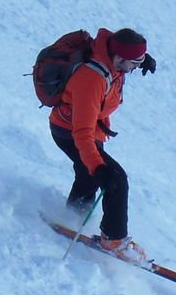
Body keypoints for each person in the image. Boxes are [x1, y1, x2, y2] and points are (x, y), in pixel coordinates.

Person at [49, 27, 156, 263]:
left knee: (87, 176)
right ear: (118, 58)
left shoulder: (113, 58)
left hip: (87, 128)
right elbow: (82, 133)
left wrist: (142, 58)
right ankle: (114, 240)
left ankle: (73, 216)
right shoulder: (92, 80)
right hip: (70, 132)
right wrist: (99, 168)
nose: (135, 68)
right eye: (134, 63)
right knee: (115, 179)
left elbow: (124, 53)